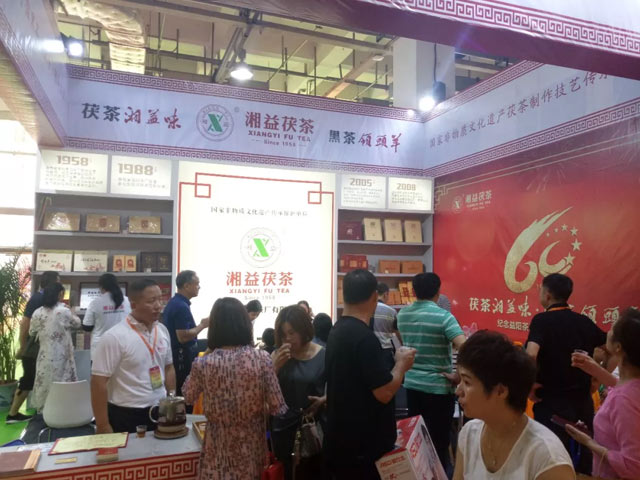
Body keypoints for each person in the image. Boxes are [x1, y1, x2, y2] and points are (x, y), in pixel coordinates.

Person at [324, 269, 416, 479]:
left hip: (343, 439)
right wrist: (401, 364)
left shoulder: (337, 330)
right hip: (363, 448)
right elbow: (384, 393)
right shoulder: (364, 338)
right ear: (375, 296)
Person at [182, 297, 286, 480]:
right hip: (252, 452)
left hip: (216, 453)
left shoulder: (203, 363)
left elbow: (188, 396)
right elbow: (278, 406)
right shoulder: (262, 359)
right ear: (245, 324)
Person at [453, 330, 575, 480]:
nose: (458, 391)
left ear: (501, 391)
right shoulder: (469, 434)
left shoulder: (547, 457)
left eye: (467, 382)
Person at [526, 273, 607, 474]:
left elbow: (531, 354)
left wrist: (529, 385)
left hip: (551, 403)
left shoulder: (541, 320)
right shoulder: (584, 321)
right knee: (584, 461)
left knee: (550, 460)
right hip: (582, 404)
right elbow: (611, 349)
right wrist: (598, 377)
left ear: (547, 294)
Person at [397, 272, 466, 473]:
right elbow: (466, 347)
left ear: (413, 291)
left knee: (416, 440)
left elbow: (404, 341)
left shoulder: (402, 315)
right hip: (438, 388)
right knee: (439, 443)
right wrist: (458, 375)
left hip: (412, 386)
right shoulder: (444, 317)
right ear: (438, 292)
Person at [91, 279, 175, 434]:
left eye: (160, 299)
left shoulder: (162, 331)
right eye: (151, 301)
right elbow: (98, 383)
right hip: (126, 414)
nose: (158, 305)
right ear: (134, 304)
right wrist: (103, 425)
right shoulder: (114, 337)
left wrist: (171, 399)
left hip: (161, 410)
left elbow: (169, 367)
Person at [565, 307, 640, 479]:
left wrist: (588, 442)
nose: (608, 331)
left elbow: (633, 465)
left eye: (612, 327)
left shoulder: (623, 400)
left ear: (619, 347)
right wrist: (595, 369)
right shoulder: (630, 386)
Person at [271, 305, 326, 480]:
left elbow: (339, 388)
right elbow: (263, 391)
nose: (287, 338)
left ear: (303, 329)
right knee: (284, 471)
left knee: (311, 471)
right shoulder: (278, 355)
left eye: (292, 332)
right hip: (283, 426)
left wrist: (324, 399)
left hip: (312, 426)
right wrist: (274, 367)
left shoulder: (323, 354)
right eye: (283, 334)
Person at [6, 271, 59, 423]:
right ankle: (13, 414)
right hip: (33, 348)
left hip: (37, 347)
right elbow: (25, 323)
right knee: (29, 379)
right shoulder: (39, 299)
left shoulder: (42, 298)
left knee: (32, 379)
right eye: (58, 282)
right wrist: (22, 347)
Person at [29, 283, 82, 412]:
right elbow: (77, 323)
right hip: (63, 356)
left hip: (44, 356)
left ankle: (44, 413)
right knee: (63, 383)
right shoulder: (63, 311)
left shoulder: (37, 312)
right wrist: (72, 311)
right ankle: (64, 412)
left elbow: (32, 332)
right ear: (60, 294)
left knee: (45, 383)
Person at [162, 270, 208, 403]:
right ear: (187, 286)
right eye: (197, 284)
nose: (199, 287)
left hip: (179, 355)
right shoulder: (180, 306)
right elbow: (183, 337)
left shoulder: (177, 302)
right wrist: (203, 325)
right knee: (183, 393)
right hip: (181, 356)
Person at [82, 273, 131, 361]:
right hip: (123, 345)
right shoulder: (127, 301)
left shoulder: (95, 303)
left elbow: (87, 327)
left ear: (101, 287)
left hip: (101, 346)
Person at [372, 282, 402, 370]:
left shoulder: (367, 309)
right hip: (385, 350)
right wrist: (402, 344)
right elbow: (397, 332)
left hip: (369, 349)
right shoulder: (391, 311)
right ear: (385, 294)